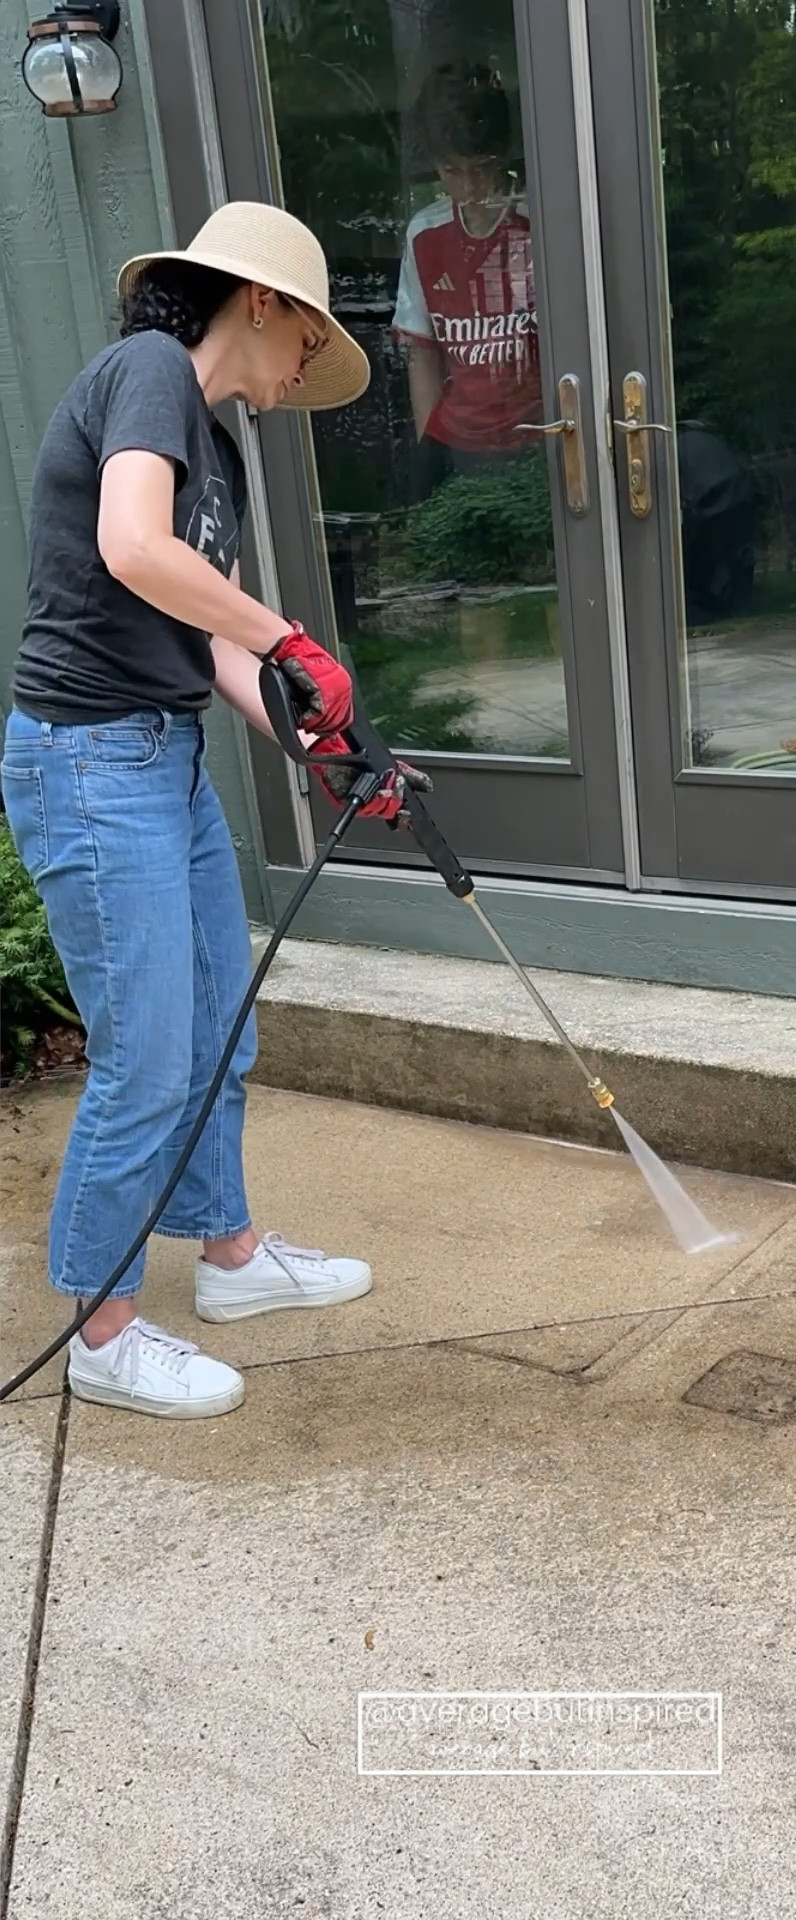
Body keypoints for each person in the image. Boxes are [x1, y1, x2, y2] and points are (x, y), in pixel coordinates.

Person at [0, 202, 425, 1421]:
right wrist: (292, 636)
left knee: (216, 1031)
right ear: (263, 304)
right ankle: (102, 1329)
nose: (308, 367)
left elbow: (216, 640)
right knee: (143, 1058)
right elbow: (134, 548)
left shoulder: (217, 451)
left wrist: (327, 745)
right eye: (310, 336)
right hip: (88, 765)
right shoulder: (147, 374)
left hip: (160, 758)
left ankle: (229, 1259)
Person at [392, 60, 542, 467]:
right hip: (460, 446)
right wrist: (430, 451)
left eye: (480, 170)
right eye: (452, 171)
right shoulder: (424, 235)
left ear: (501, 156)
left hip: (540, 438)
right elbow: (421, 351)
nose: (470, 187)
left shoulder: (538, 223)